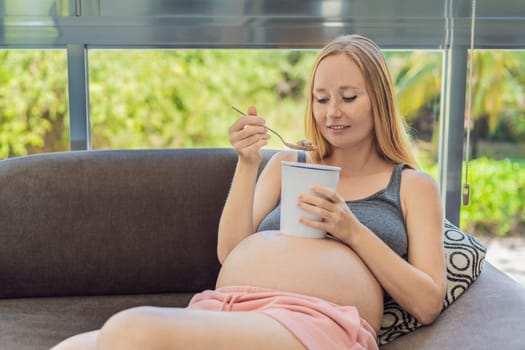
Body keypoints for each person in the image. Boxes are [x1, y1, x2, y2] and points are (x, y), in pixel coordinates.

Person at [52, 34, 446, 350]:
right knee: (72, 347)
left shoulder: (412, 186)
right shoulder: (287, 165)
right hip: (228, 307)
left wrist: (352, 230)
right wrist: (247, 162)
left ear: (379, 101)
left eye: (348, 98)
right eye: (321, 98)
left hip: (315, 323)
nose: (331, 113)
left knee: (130, 330)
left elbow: (427, 303)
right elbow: (229, 251)